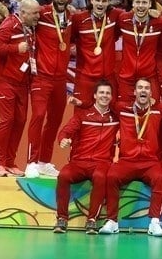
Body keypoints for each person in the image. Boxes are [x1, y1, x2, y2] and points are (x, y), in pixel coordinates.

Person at [98, 78, 162, 236]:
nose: (143, 90)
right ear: (134, 92)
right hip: (127, 161)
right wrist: (80, 103)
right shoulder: (122, 108)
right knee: (112, 176)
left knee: (160, 178)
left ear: (151, 93)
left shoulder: (158, 110)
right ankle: (112, 221)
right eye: (140, 88)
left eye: (147, 88)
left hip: (149, 162)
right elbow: (104, 98)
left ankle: (154, 222)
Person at [53, 80, 119, 234]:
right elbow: (65, 132)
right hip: (79, 161)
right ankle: (62, 218)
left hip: (101, 162)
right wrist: (63, 139)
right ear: (95, 95)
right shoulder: (82, 115)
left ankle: (92, 220)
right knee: (63, 175)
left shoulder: (115, 118)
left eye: (108, 93)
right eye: (101, 92)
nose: (105, 96)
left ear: (111, 97)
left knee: (100, 176)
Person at [25, 0, 73, 178]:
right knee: (38, 116)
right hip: (42, 77)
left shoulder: (72, 17)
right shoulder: (41, 14)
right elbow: (22, 15)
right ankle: (31, 162)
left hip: (60, 79)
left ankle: (44, 161)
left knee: (54, 121)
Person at [0, 0, 40, 177]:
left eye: (38, 12)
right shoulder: (9, 24)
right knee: (7, 120)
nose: (37, 16)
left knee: (20, 121)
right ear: (23, 12)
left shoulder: (31, 26)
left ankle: (9, 162)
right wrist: (15, 48)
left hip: (21, 81)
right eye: (34, 13)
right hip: (4, 79)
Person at [71, 0, 123, 109]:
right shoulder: (79, 19)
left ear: (109, 2)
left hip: (107, 76)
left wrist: (152, 12)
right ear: (91, 1)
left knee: (111, 112)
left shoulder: (116, 15)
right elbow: (70, 38)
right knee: (81, 113)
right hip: (85, 76)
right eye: (97, 0)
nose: (100, 4)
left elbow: (133, 15)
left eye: (104, 1)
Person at [117, 0, 162, 104]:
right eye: (138, 2)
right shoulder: (123, 19)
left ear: (150, 4)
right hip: (127, 77)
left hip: (150, 77)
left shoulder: (160, 23)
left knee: (153, 113)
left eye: (144, 3)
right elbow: (107, 11)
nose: (141, 6)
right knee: (125, 112)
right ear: (133, 4)